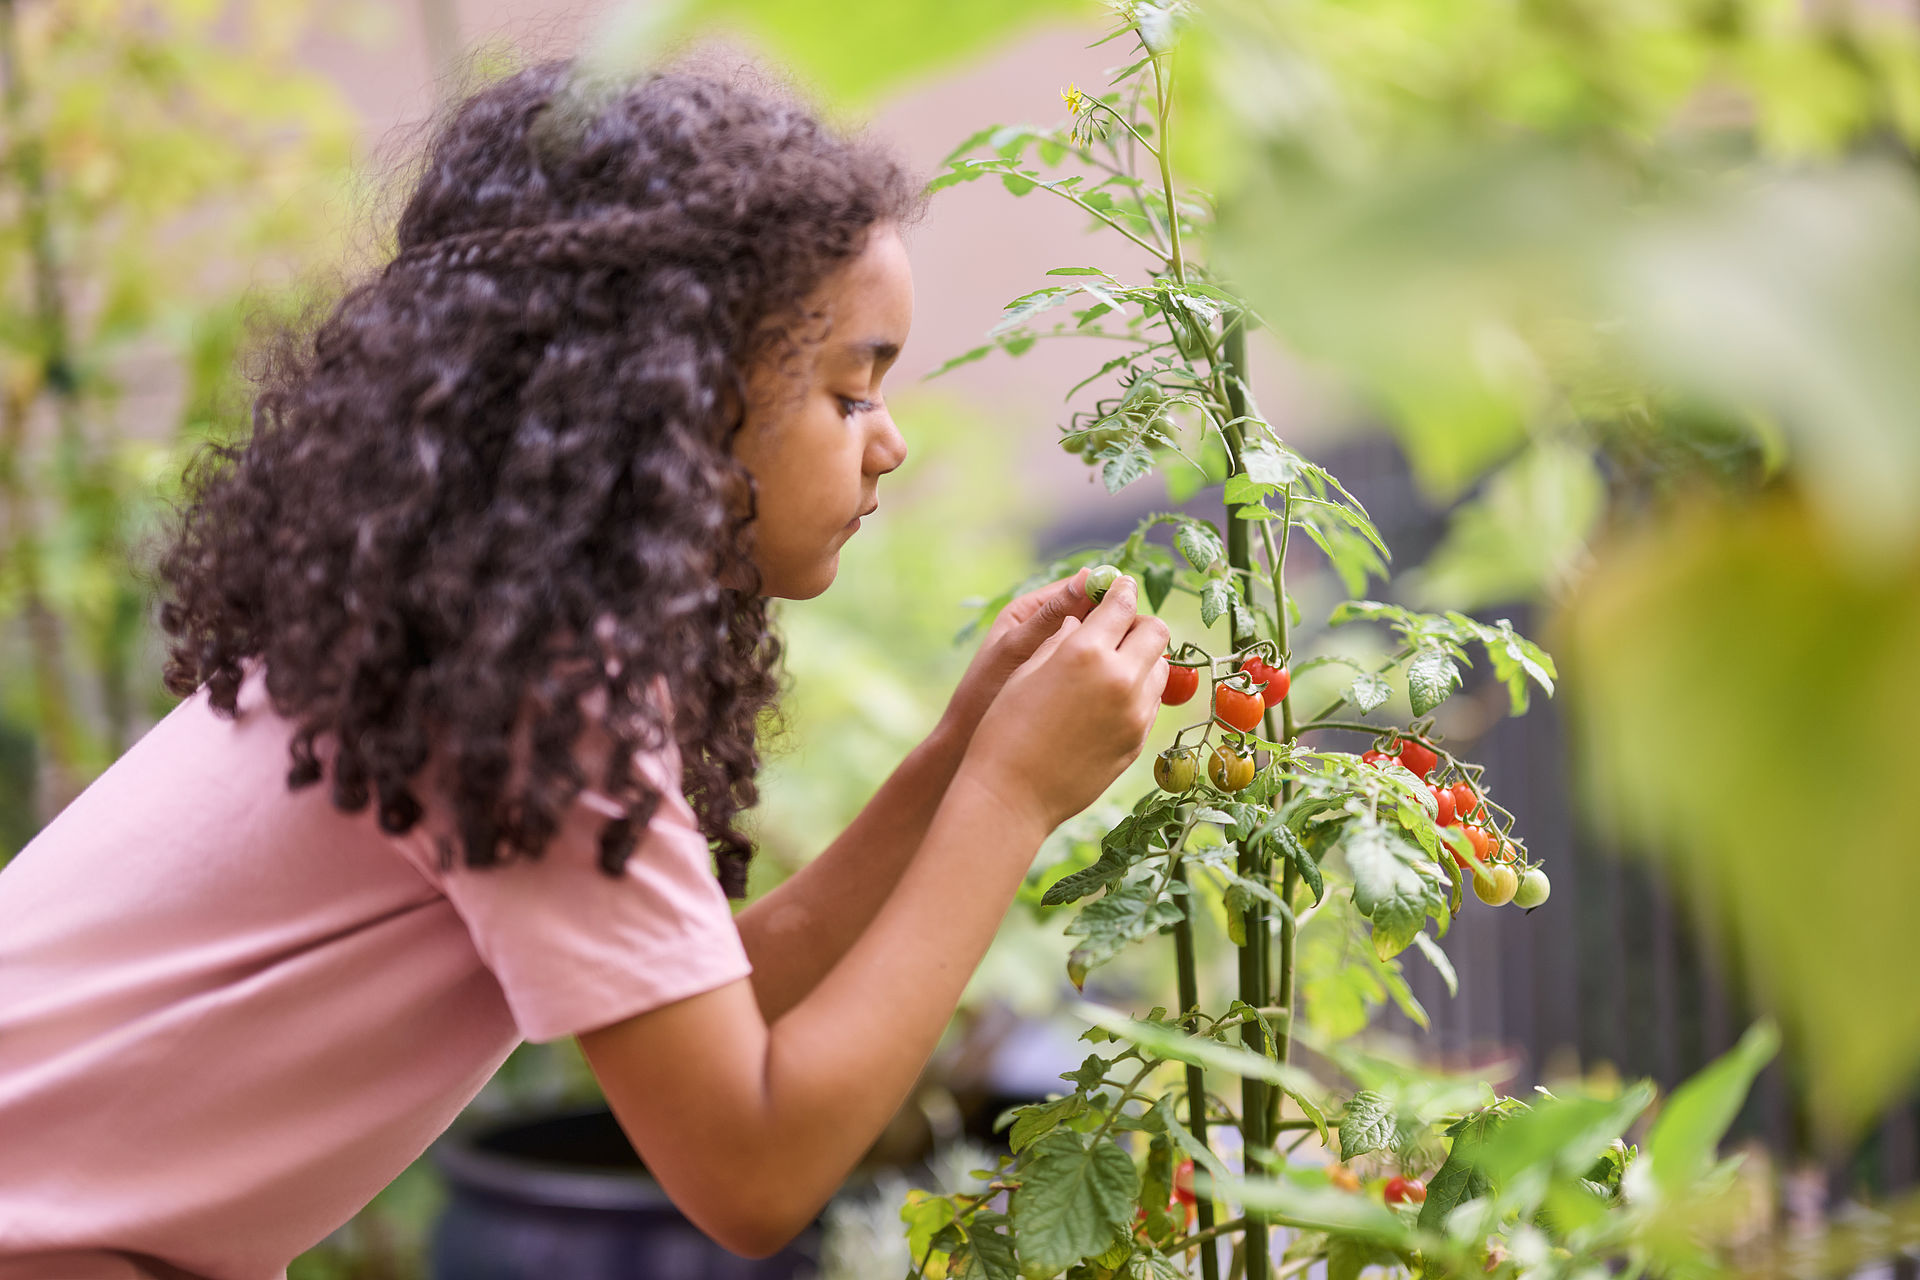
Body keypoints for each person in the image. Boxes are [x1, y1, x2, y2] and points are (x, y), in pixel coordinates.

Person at [0, 50, 1172, 1280]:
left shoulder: (468, 627)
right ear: (673, 396)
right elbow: (753, 1171)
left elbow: (721, 1006)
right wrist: (1009, 796)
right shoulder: (518, 688)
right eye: (848, 393)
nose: (889, 444)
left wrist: (955, 758)